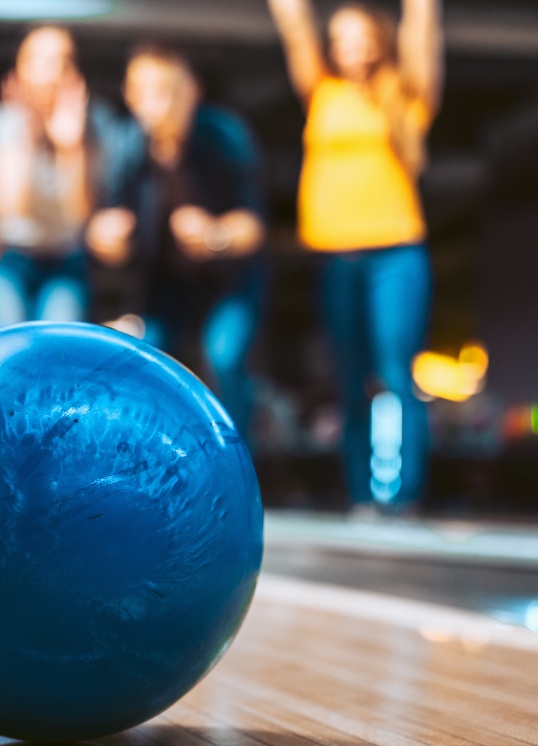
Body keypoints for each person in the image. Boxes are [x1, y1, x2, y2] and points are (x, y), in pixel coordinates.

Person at [268, 0, 443, 509]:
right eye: (340, 37)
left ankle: (402, 496)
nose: (350, 46)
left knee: (394, 374)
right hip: (336, 255)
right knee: (347, 380)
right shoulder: (323, 94)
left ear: (380, 40)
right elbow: (297, 32)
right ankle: (359, 496)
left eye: (360, 35)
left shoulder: (404, 94)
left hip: (396, 252)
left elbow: (422, 34)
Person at [86, 43, 267, 437]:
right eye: (142, 91)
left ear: (191, 91)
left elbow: (254, 226)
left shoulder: (224, 136)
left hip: (227, 283)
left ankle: (239, 463)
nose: (155, 104)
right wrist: (107, 238)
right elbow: (105, 235)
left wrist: (215, 235)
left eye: (166, 90)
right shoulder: (126, 146)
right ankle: (156, 459)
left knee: (225, 357)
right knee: (139, 357)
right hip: (163, 289)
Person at [0, 26, 100, 326]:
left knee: (57, 340)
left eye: (63, 62)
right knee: (9, 337)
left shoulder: (92, 128)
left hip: (65, 263)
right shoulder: (2, 123)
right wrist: (27, 139)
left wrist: (71, 148)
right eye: (42, 61)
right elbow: (9, 206)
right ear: (21, 69)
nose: (53, 72)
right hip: (8, 260)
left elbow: (79, 214)